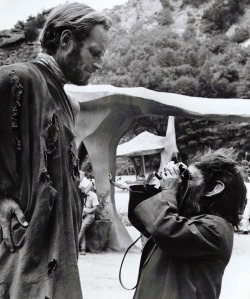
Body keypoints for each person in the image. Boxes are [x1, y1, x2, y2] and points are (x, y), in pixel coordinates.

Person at [0, 3, 111, 298]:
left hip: (59, 247)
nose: (98, 64)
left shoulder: (68, 103)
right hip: (22, 248)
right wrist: (2, 197)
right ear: (65, 41)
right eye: (94, 52)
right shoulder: (16, 78)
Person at [128, 148, 246, 299]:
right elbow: (144, 219)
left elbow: (165, 230)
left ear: (214, 189)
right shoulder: (185, 219)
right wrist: (158, 189)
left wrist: (169, 191)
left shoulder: (216, 229)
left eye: (189, 178)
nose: (181, 182)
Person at [78, 175, 99, 255]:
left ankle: (76, 246)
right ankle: (82, 249)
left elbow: (96, 208)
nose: (82, 190)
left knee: (82, 227)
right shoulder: (80, 195)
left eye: (83, 188)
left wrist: (88, 211)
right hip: (82, 214)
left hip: (90, 215)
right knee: (80, 227)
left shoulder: (93, 195)